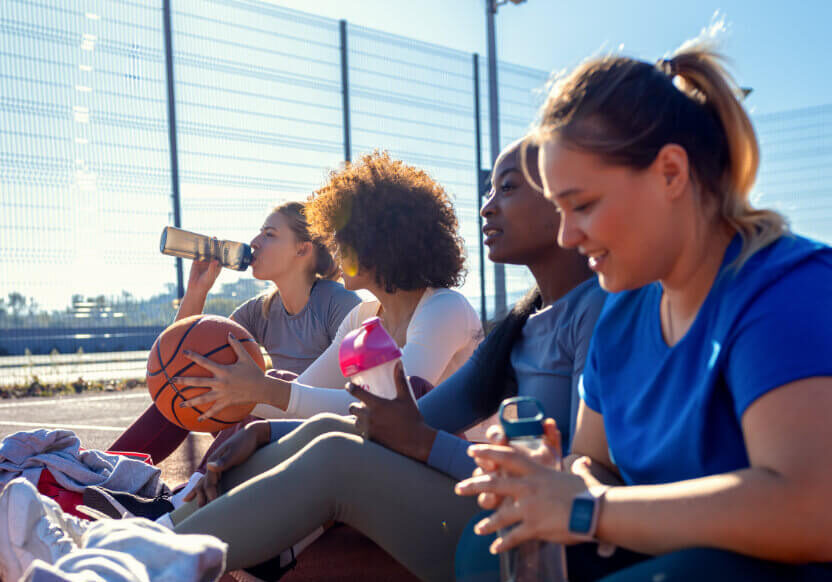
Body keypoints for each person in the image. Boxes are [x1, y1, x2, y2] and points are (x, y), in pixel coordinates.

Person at [454, 39, 832, 581]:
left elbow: (812, 507)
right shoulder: (624, 310)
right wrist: (558, 482)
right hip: (659, 560)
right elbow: (595, 461)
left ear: (672, 174)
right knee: (487, 546)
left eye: (582, 205)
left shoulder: (788, 288)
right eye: (560, 210)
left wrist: (585, 510)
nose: (567, 234)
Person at [153, 140, 606, 582]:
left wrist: (421, 441)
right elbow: (398, 421)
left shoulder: (583, 312)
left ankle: (142, 560)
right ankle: (160, 529)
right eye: (488, 191)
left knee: (336, 455)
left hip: (527, 534)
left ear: (564, 197)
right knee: (319, 434)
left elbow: (409, 430)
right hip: (490, 501)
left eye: (506, 189)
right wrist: (265, 426)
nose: (486, 208)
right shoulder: (520, 326)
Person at [175, 151, 483, 423]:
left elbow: (394, 406)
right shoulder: (361, 321)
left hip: (457, 473)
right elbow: (305, 395)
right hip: (394, 462)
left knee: (320, 436)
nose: (334, 246)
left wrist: (263, 390)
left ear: (381, 240)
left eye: (343, 236)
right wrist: (233, 391)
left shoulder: (444, 308)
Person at [109, 202, 361, 463]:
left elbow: (354, 391)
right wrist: (197, 290)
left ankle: (195, 492)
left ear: (302, 248)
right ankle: (104, 472)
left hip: (317, 430)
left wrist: (261, 388)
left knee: (258, 385)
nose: (254, 241)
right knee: (183, 381)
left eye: (269, 234)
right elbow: (182, 355)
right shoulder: (261, 309)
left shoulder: (338, 303)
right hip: (266, 422)